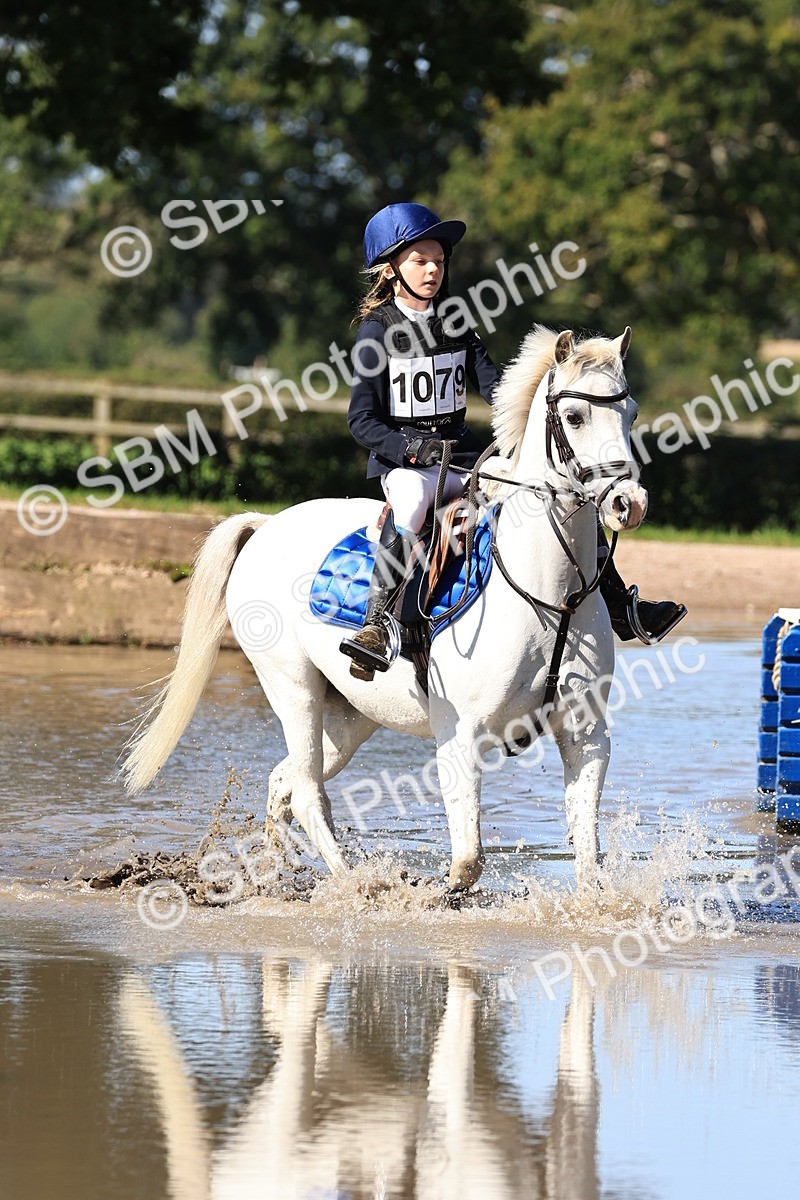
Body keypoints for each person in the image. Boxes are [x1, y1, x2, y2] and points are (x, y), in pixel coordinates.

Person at [339, 202, 685, 681]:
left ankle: (621, 606)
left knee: (562, 495)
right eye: (420, 260)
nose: (433, 269)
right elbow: (362, 420)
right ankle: (377, 625)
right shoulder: (377, 332)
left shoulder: (455, 323)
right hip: (407, 464)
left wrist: (553, 383)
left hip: (461, 459)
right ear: (391, 267)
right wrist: (412, 450)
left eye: (438, 260)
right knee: (416, 503)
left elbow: (499, 390)